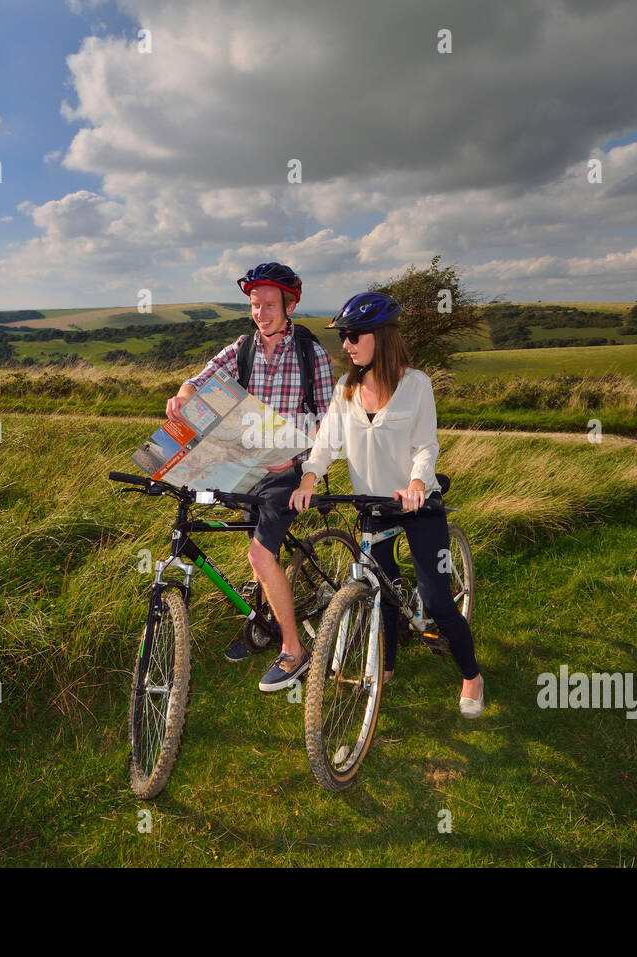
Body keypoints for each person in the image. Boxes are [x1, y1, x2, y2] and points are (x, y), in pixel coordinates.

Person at [289, 292, 485, 717]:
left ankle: (471, 674)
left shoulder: (416, 384)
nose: (346, 344)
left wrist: (417, 482)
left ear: (381, 336)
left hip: (418, 505)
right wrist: (308, 478)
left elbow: (425, 445)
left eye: (354, 335)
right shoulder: (346, 389)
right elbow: (324, 446)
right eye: (343, 336)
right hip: (371, 506)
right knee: (382, 587)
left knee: (435, 599)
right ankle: (387, 665)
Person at [166, 262, 335, 691]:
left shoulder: (310, 353)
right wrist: (183, 399)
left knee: (259, 556)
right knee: (259, 548)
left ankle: (293, 650)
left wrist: (294, 456)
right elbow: (194, 383)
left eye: (269, 305)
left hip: (289, 469)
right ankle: (263, 622)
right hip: (247, 465)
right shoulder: (241, 348)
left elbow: (329, 421)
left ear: (290, 304)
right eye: (254, 305)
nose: (260, 313)